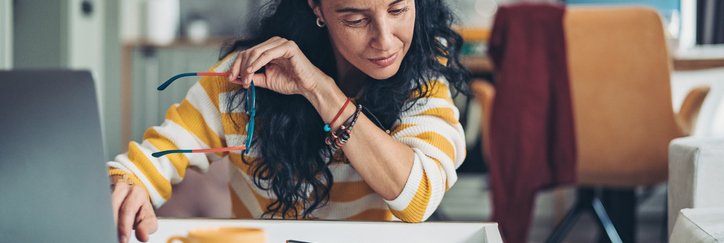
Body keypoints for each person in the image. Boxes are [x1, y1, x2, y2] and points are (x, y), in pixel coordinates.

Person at [107, 0, 470, 242]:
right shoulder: (246, 78)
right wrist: (128, 183)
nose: (386, 41)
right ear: (317, 6)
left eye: (398, 10)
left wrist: (321, 91)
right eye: (355, 19)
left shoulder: (424, 81)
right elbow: (154, 157)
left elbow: (418, 197)